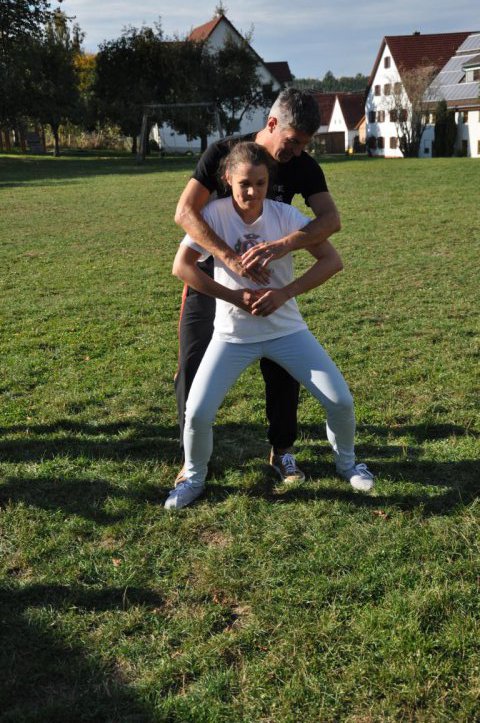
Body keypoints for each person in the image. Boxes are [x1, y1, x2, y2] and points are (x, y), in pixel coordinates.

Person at [167, 141, 374, 510]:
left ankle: (347, 465)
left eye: (260, 183)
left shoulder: (285, 215)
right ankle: (193, 479)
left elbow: (332, 261)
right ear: (228, 179)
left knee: (341, 401)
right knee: (197, 412)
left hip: (286, 331)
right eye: (244, 184)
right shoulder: (213, 214)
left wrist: (284, 293)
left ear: (270, 182)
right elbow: (181, 267)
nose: (252, 192)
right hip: (232, 336)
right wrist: (235, 297)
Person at [174, 88, 341, 485]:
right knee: (193, 365)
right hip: (211, 280)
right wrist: (228, 258)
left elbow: (330, 221)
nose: (297, 151)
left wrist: (282, 245)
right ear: (272, 123)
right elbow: (185, 212)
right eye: (292, 141)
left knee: (283, 369)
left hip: (267, 284)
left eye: (304, 144)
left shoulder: (302, 166)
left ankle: (282, 451)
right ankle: (191, 458)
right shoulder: (222, 154)